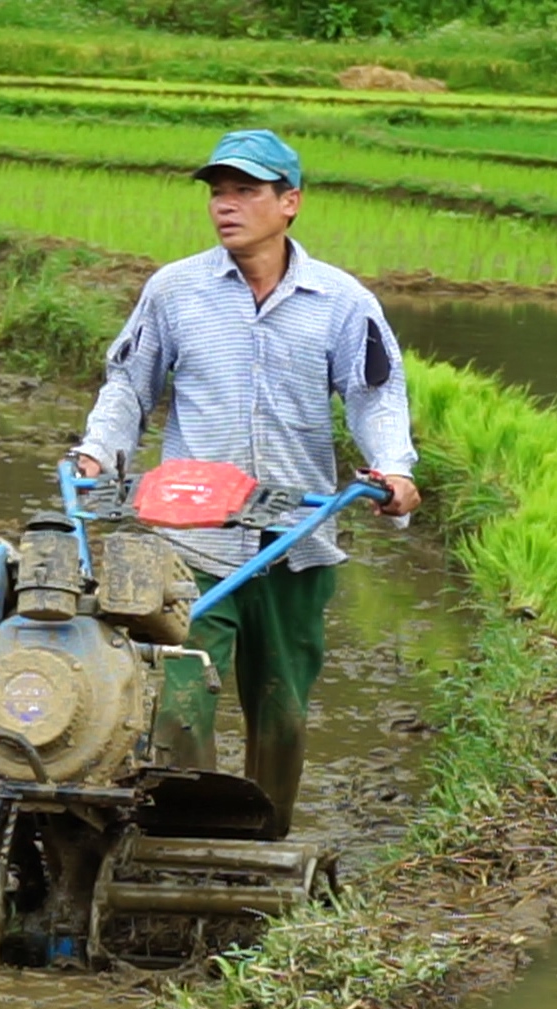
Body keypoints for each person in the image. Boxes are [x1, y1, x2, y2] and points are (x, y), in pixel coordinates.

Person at [72, 129, 421, 838]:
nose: (226, 206)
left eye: (245, 192)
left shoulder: (342, 302)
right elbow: (130, 385)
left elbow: (375, 395)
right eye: (217, 192)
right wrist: (98, 454)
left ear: (289, 203)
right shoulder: (175, 290)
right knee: (177, 697)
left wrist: (394, 470)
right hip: (191, 540)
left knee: (282, 709)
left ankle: (264, 843)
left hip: (296, 535)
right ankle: (181, 835)